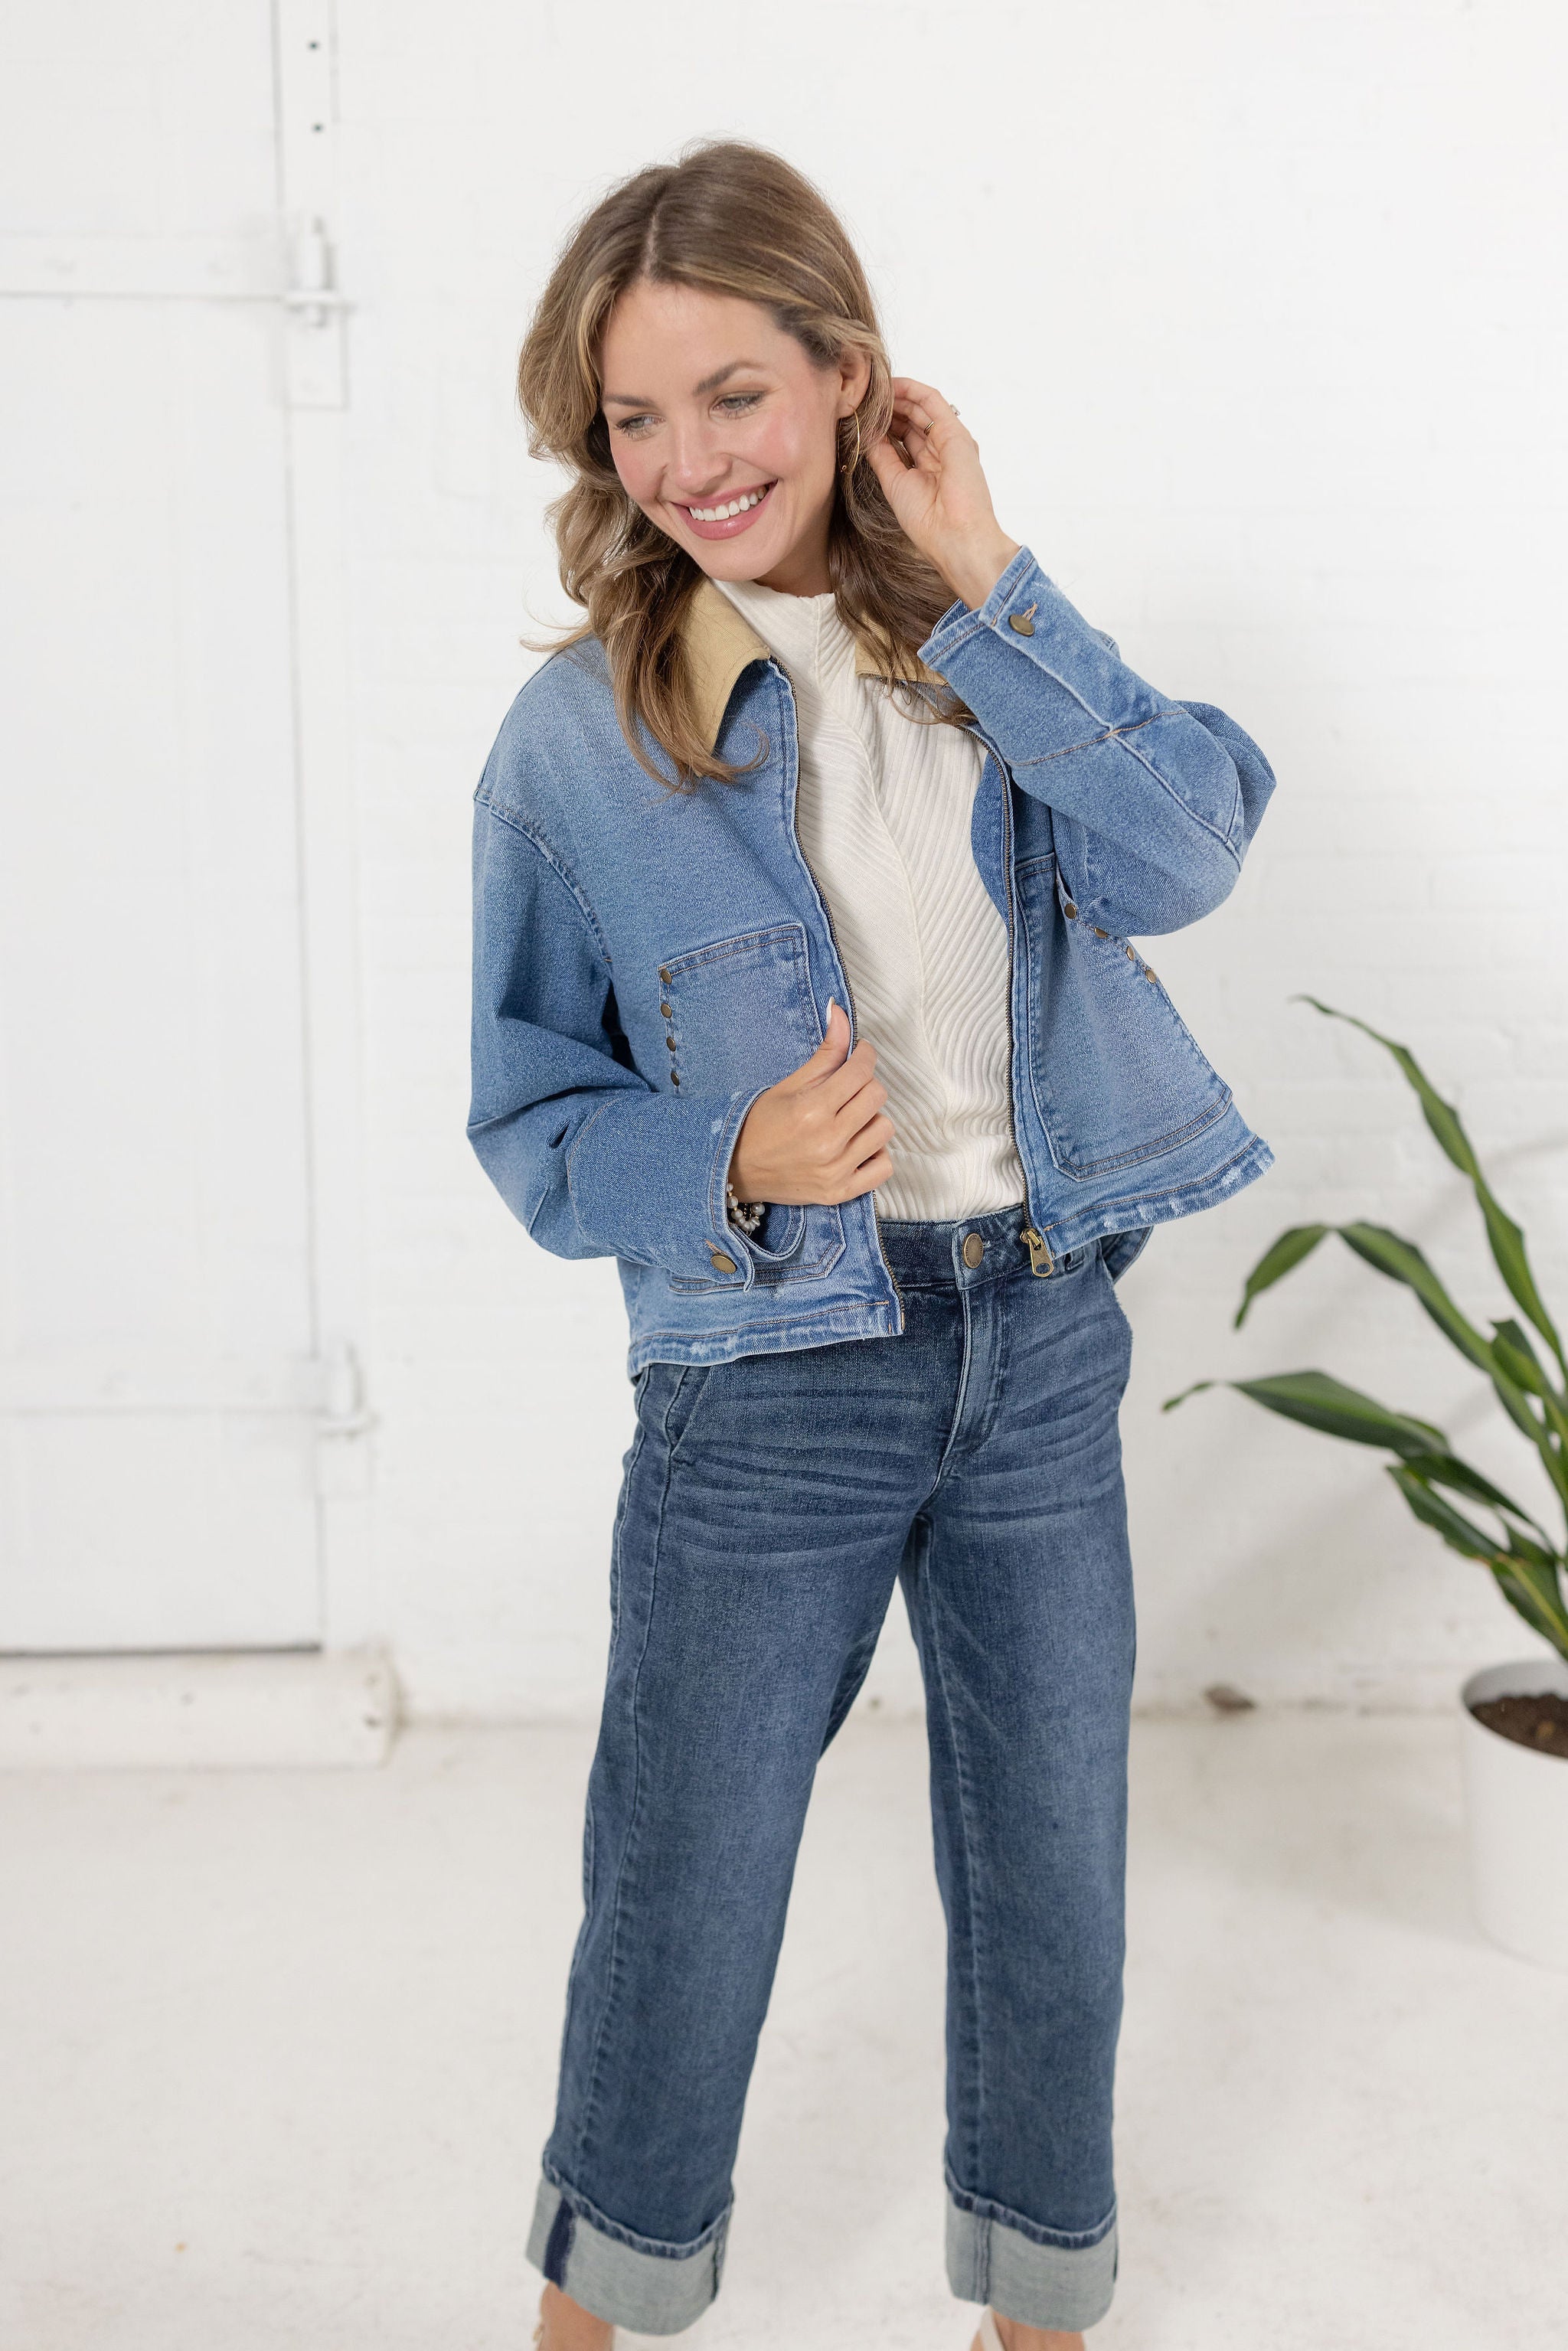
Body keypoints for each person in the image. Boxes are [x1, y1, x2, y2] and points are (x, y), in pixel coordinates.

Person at [469, 141, 1275, 2351]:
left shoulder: (984, 657)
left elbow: (1191, 852)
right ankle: (591, 2319)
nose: (690, 461)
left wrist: (991, 566)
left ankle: (1039, 2311)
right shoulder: (578, 742)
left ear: (847, 373)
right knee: (689, 1880)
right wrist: (728, 1154)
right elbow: (529, 1111)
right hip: (773, 1384)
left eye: (734, 393)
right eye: (637, 418)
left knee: (1053, 1868)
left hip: (1043, 1335)